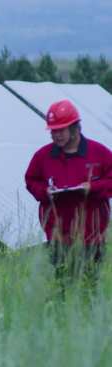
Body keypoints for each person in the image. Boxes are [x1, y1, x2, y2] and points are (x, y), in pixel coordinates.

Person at [25, 100, 112, 288]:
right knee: (62, 289)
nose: (56, 136)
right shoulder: (43, 156)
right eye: (53, 131)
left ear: (75, 128)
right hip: (59, 237)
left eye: (61, 130)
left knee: (89, 289)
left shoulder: (100, 153)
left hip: (92, 237)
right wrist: (44, 191)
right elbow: (31, 180)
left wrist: (93, 188)